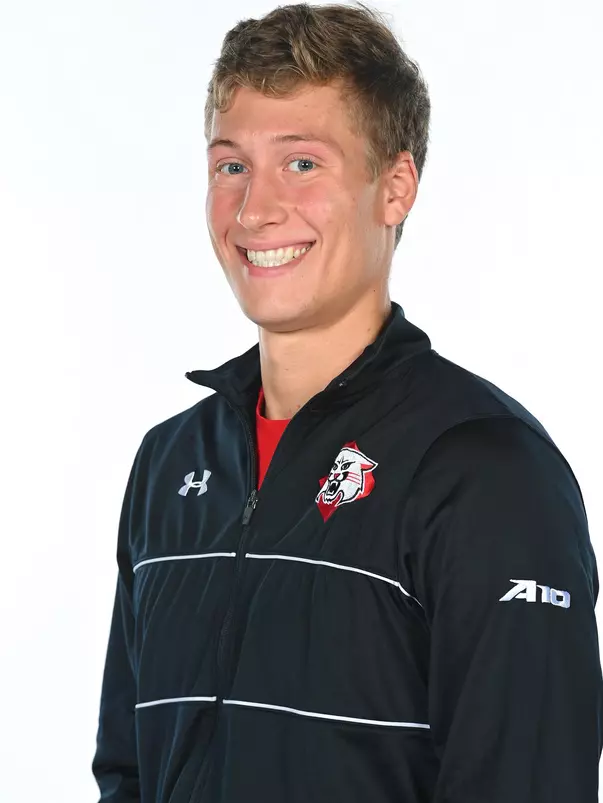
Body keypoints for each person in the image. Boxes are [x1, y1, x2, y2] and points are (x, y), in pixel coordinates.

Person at [92, 3, 603, 801]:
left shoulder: (485, 470)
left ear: (394, 186)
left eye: (301, 164)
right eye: (232, 166)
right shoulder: (171, 464)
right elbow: (127, 771)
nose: (254, 209)